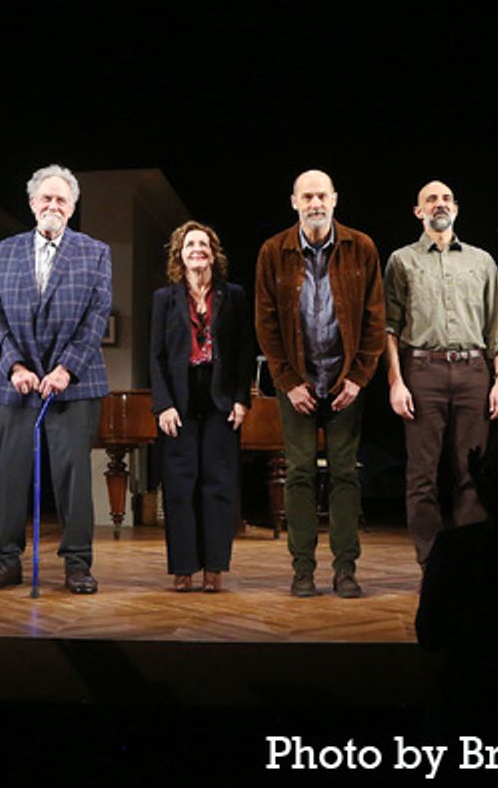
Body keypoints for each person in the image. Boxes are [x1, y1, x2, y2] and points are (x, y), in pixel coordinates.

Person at [0, 164, 111, 594]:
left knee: (73, 478)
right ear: (33, 204)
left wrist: (65, 368)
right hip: (16, 384)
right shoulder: (3, 252)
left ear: (72, 207)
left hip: (75, 384)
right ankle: (6, 560)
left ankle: (77, 564)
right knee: (10, 475)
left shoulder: (96, 252)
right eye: (45, 199)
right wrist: (14, 366)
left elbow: (96, 317)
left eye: (61, 200)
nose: (53, 206)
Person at [254, 170, 385, 598]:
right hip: (299, 385)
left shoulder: (360, 247)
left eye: (321, 196)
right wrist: (288, 382)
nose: (315, 203)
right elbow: (266, 324)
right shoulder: (273, 251)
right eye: (307, 196)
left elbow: (375, 318)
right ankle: (302, 570)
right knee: (300, 473)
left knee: (346, 473)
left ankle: (345, 569)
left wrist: (359, 378)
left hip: (346, 382)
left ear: (334, 199)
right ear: (294, 202)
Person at [384, 180, 498, 567]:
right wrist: (396, 382)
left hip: (474, 371)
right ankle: (431, 562)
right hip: (422, 371)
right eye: (430, 200)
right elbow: (389, 328)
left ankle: (469, 561)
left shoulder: (482, 261)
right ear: (418, 211)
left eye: (446, 199)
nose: (440, 204)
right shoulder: (401, 260)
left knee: (472, 470)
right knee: (422, 475)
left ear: (456, 207)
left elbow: (497, 328)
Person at [150, 221, 254, 592]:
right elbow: (157, 357)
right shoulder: (165, 298)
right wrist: (162, 405)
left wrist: (242, 399)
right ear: (180, 253)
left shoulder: (235, 295)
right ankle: (183, 568)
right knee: (179, 486)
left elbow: (244, 352)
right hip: (179, 399)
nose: (198, 249)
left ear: (213, 253)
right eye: (190, 244)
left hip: (220, 397)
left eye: (204, 243)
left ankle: (214, 568)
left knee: (218, 485)